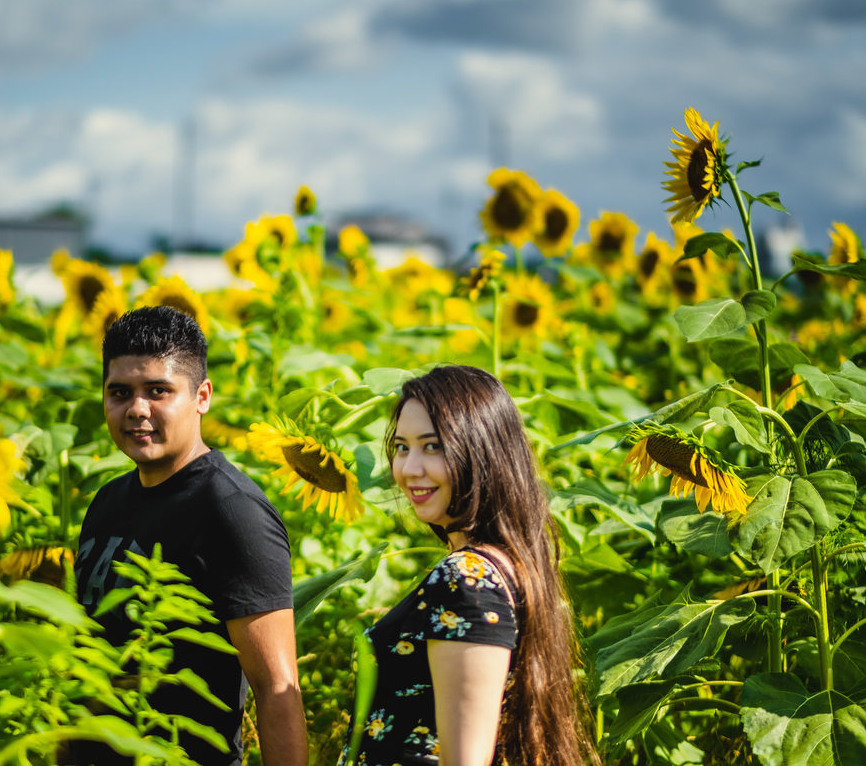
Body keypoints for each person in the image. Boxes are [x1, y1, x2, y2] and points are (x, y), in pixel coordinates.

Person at [73, 306, 307, 766]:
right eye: (120, 392)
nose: (137, 409)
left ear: (201, 396)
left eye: (158, 391)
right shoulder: (106, 503)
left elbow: (277, 690)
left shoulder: (230, 510)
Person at [345, 365, 595, 766]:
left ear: (480, 451)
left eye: (433, 446)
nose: (409, 469)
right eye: (402, 447)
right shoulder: (505, 565)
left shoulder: (466, 578)